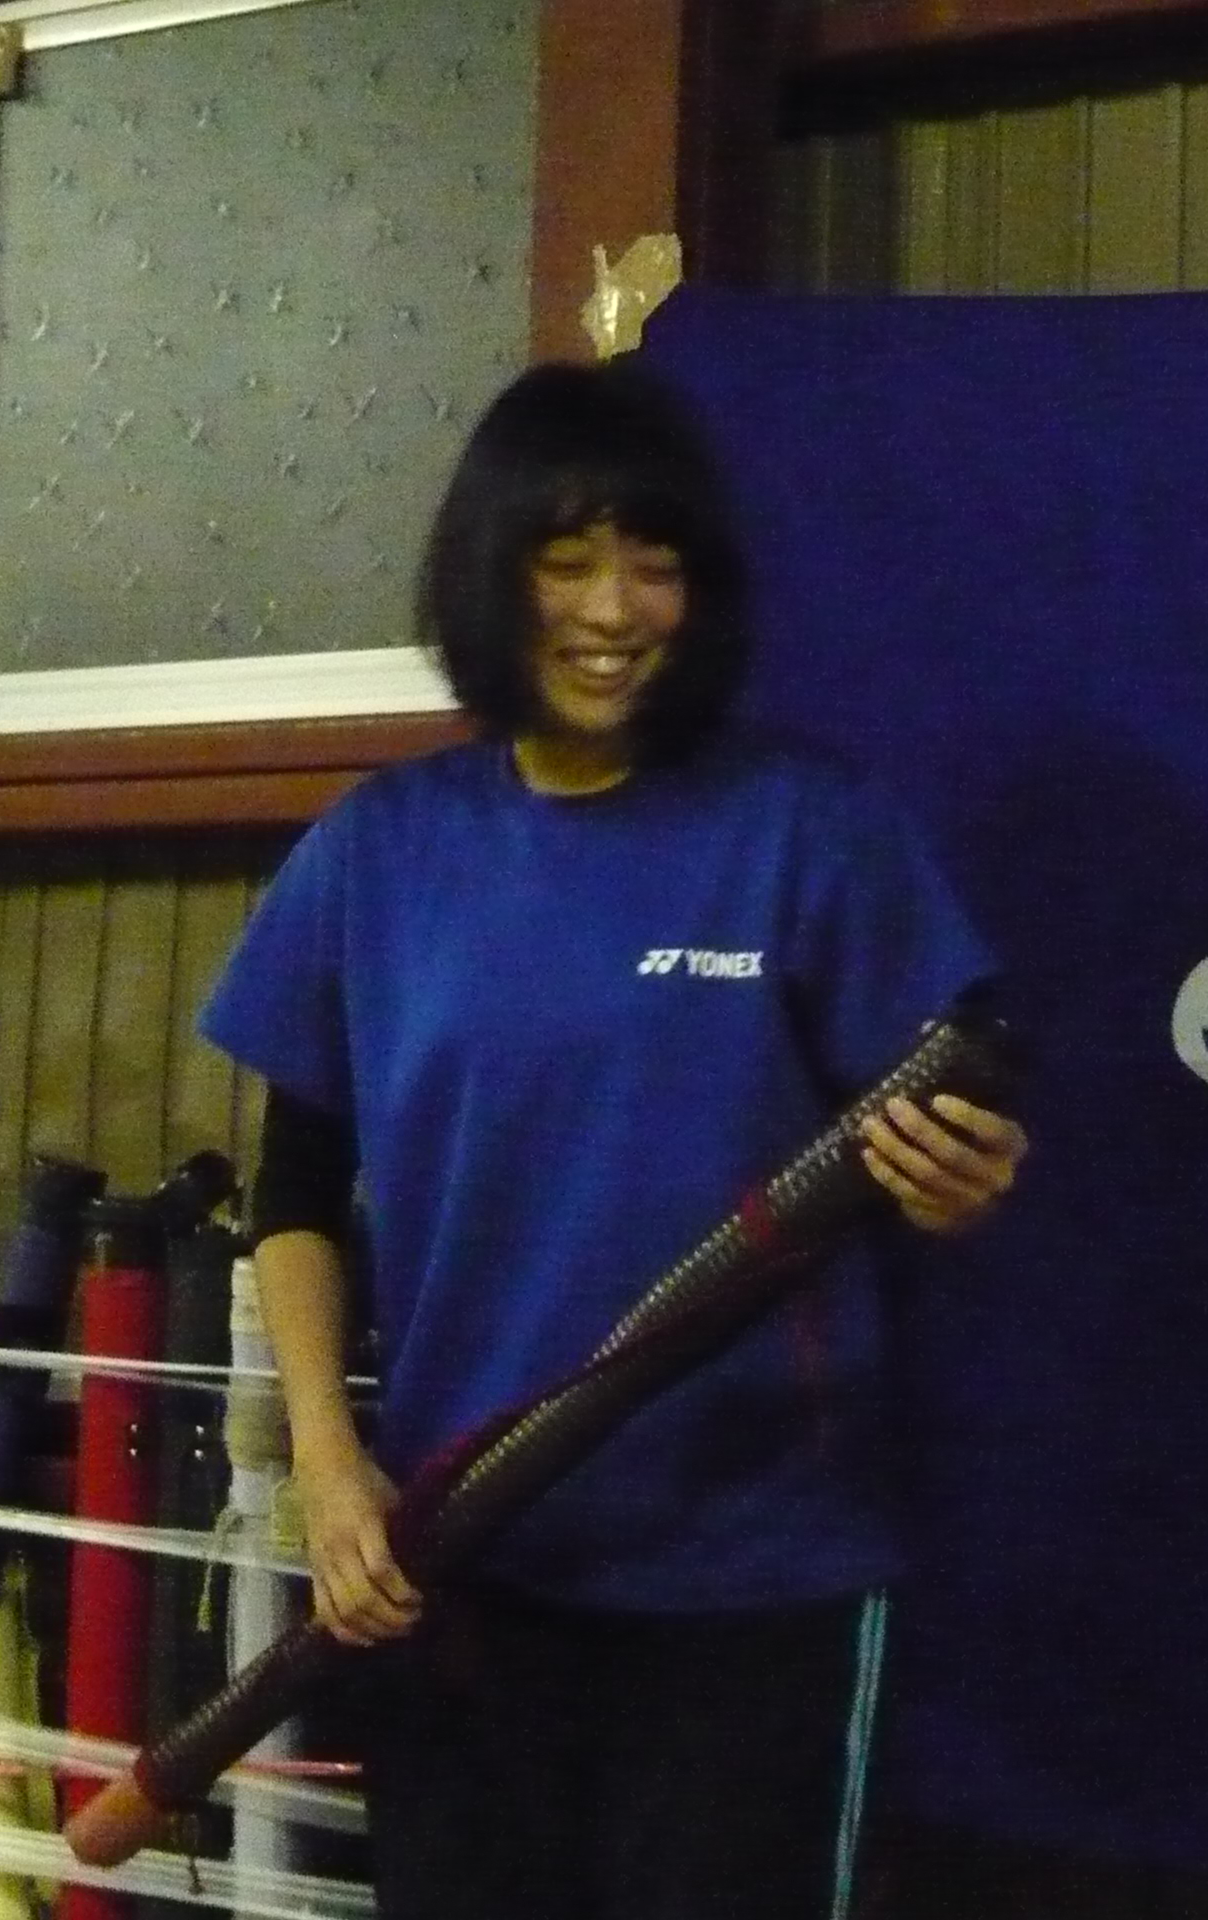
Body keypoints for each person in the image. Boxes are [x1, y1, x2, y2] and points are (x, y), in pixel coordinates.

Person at [198, 357, 1027, 1920]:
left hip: (756, 1576)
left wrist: (965, 1186)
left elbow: (957, 1117)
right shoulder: (385, 849)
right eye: (565, 558)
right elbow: (295, 1186)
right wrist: (329, 1464)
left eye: (654, 562)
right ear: (490, 575)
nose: (612, 608)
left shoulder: (809, 830)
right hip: (461, 1566)